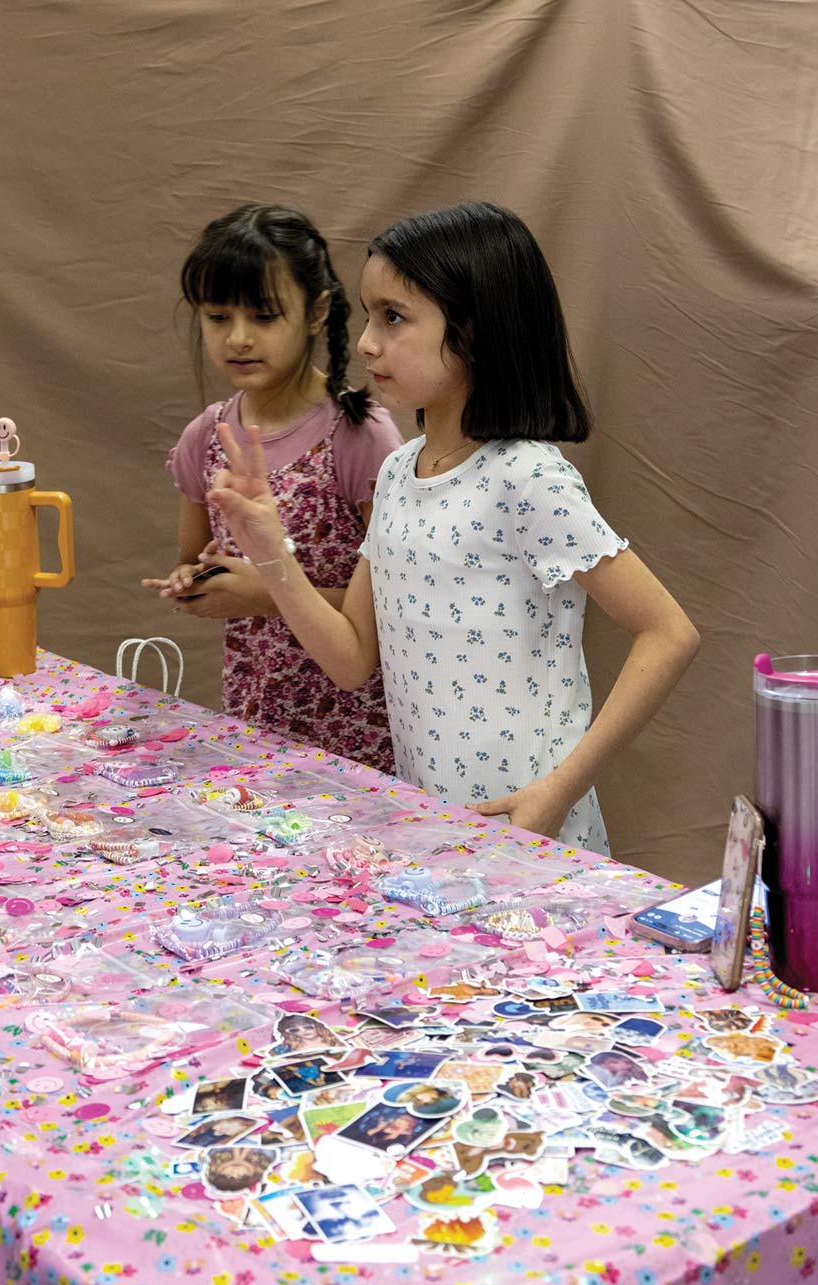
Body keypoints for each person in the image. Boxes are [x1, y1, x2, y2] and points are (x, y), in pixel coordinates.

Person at [204, 202, 700, 850]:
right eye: (368, 313)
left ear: (473, 330)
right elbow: (353, 658)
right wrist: (271, 552)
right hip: (433, 838)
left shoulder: (526, 478)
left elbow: (669, 632)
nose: (365, 342)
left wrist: (556, 791)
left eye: (394, 317)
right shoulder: (398, 474)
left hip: (533, 840)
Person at [143, 203, 401, 773]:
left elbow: (395, 609)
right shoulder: (204, 439)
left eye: (263, 316)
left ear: (317, 312)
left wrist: (263, 591)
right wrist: (195, 581)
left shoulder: (358, 436)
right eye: (217, 317)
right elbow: (194, 559)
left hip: (360, 730)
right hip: (255, 724)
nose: (238, 338)